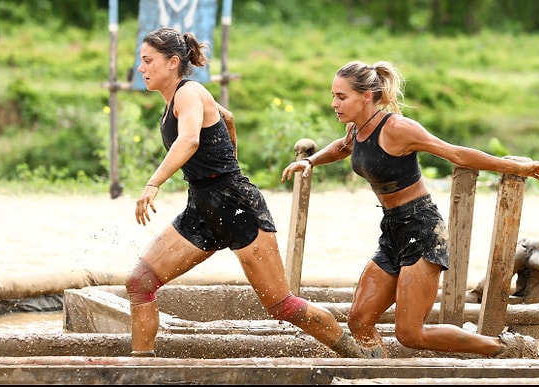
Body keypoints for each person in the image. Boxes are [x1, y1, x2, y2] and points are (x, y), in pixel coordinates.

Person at [125, 28, 384, 359]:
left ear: (173, 62)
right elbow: (228, 118)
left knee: (281, 305)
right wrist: (229, 156)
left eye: (148, 61)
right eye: (141, 61)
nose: (141, 68)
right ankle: (141, 368)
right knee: (140, 283)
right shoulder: (179, 98)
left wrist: (153, 183)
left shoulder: (189, 93)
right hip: (203, 207)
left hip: (236, 208)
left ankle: (358, 354)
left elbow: (189, 140)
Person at [281, 60, 539, 358]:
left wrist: (517, 166)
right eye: (333, 95)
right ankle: (379, 373)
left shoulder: (398, 129)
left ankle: (507, 347)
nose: (334, 103)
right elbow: (341, 147)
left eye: (341, 97)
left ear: (366, 96)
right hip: (392, 229)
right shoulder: (356, 129)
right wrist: (310, 161)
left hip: (422, 229)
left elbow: (457, 154)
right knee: (360, 321)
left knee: (411, 334)